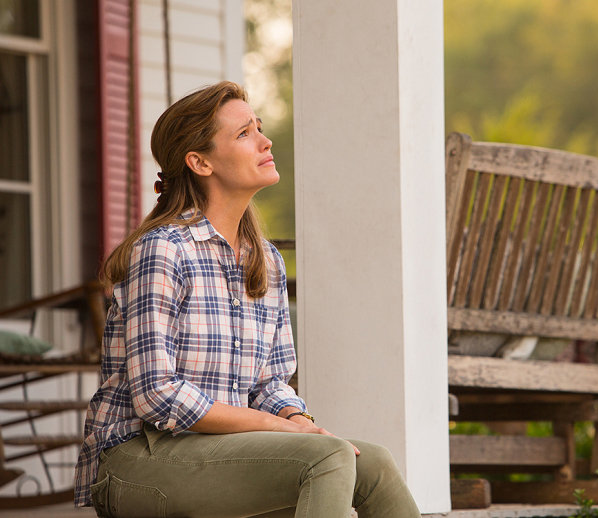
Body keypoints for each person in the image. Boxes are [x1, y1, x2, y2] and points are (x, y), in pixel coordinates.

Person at [75, 81, 421, 518]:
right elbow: (157, 396)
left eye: (257, 126)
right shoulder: (164, 250)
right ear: (200, 162)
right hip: (135, 459)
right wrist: (278, 428)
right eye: (243, 133)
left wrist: (298, 422)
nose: (264, 139)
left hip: (218, 452)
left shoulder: (266, 260)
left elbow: (270, 383)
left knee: (374, 465)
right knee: (326, 458)